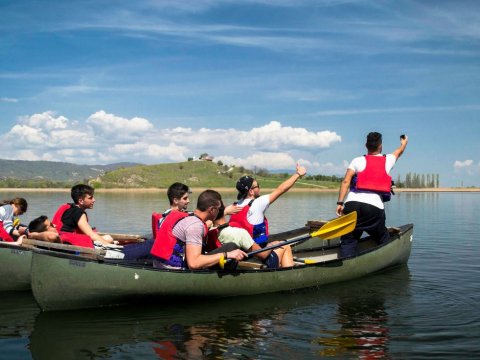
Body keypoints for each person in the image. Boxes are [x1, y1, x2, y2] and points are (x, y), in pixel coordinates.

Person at [336, 132, 408, 257]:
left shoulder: (356, 160)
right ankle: (386, 258)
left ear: (366, 145)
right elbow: (399, 152)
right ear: (380, 146)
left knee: (349, 240)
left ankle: (346, 265)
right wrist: (403, 143)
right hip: (373, 208)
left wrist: (340, 203)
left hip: (351, 205)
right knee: (382, 236)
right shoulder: (388, 160)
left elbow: (346, 181)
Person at [229, 164, 307, 268]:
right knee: (285, 245)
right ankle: (289, 275)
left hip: (242, 254)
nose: (259, 187)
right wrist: (298, 174)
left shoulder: (234, 206)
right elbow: (282, 189)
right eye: (257, 186)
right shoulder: (258, 202)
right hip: (261, 256)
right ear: (251, 191)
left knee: (275, 243)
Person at [150, 189, 246, 270]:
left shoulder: (189, 216)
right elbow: (193, 264)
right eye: (219, 209)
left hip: (160, 264)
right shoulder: (195, 225)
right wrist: (226, 255)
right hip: (172, 268)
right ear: (212, 210)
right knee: (231, 247)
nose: (219, 212)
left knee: (228, 249)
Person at [208, 201, 282, 268]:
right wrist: (271, 245)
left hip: (220, 265)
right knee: (285, 246)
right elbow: (263, 255)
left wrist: (224, 211)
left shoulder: (208, 230)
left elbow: (208, 223)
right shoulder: (239, 233)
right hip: (241, 266)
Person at [52, 184, 115, 248]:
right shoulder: (79, 213)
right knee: (108, 238)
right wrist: (110, 246)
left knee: (106, 238)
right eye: (90, 198)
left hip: (61, 238)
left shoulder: (69, 208)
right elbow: (91, 235)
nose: (94, 200)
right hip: (69, 244)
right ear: (81, 201)